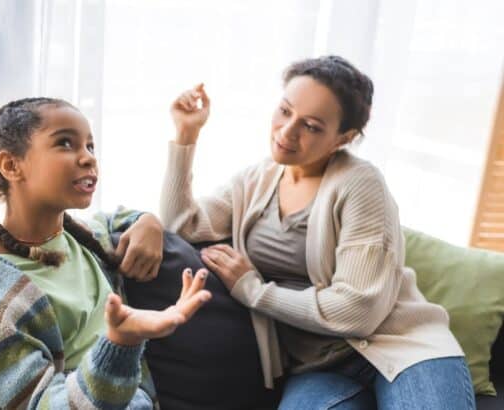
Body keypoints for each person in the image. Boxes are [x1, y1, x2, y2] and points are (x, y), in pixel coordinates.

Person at [161, 56, 475, 409]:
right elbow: (181, 226)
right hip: (317, 367)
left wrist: (253, 291)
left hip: (402, 348)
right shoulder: (255, 180)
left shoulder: (360, 183)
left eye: (310, 126)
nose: (286, 132)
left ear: (345, 137)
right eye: (284, 111)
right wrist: (186, 136)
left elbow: (357, 311)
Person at [0, 97, 211, 409]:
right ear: (11, 165)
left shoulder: (88, 238)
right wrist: (119, 344)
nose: (88, 159)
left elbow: (117, 219)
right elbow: (41, 405)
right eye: (66, 143)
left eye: (90, 146)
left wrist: (148, 222)